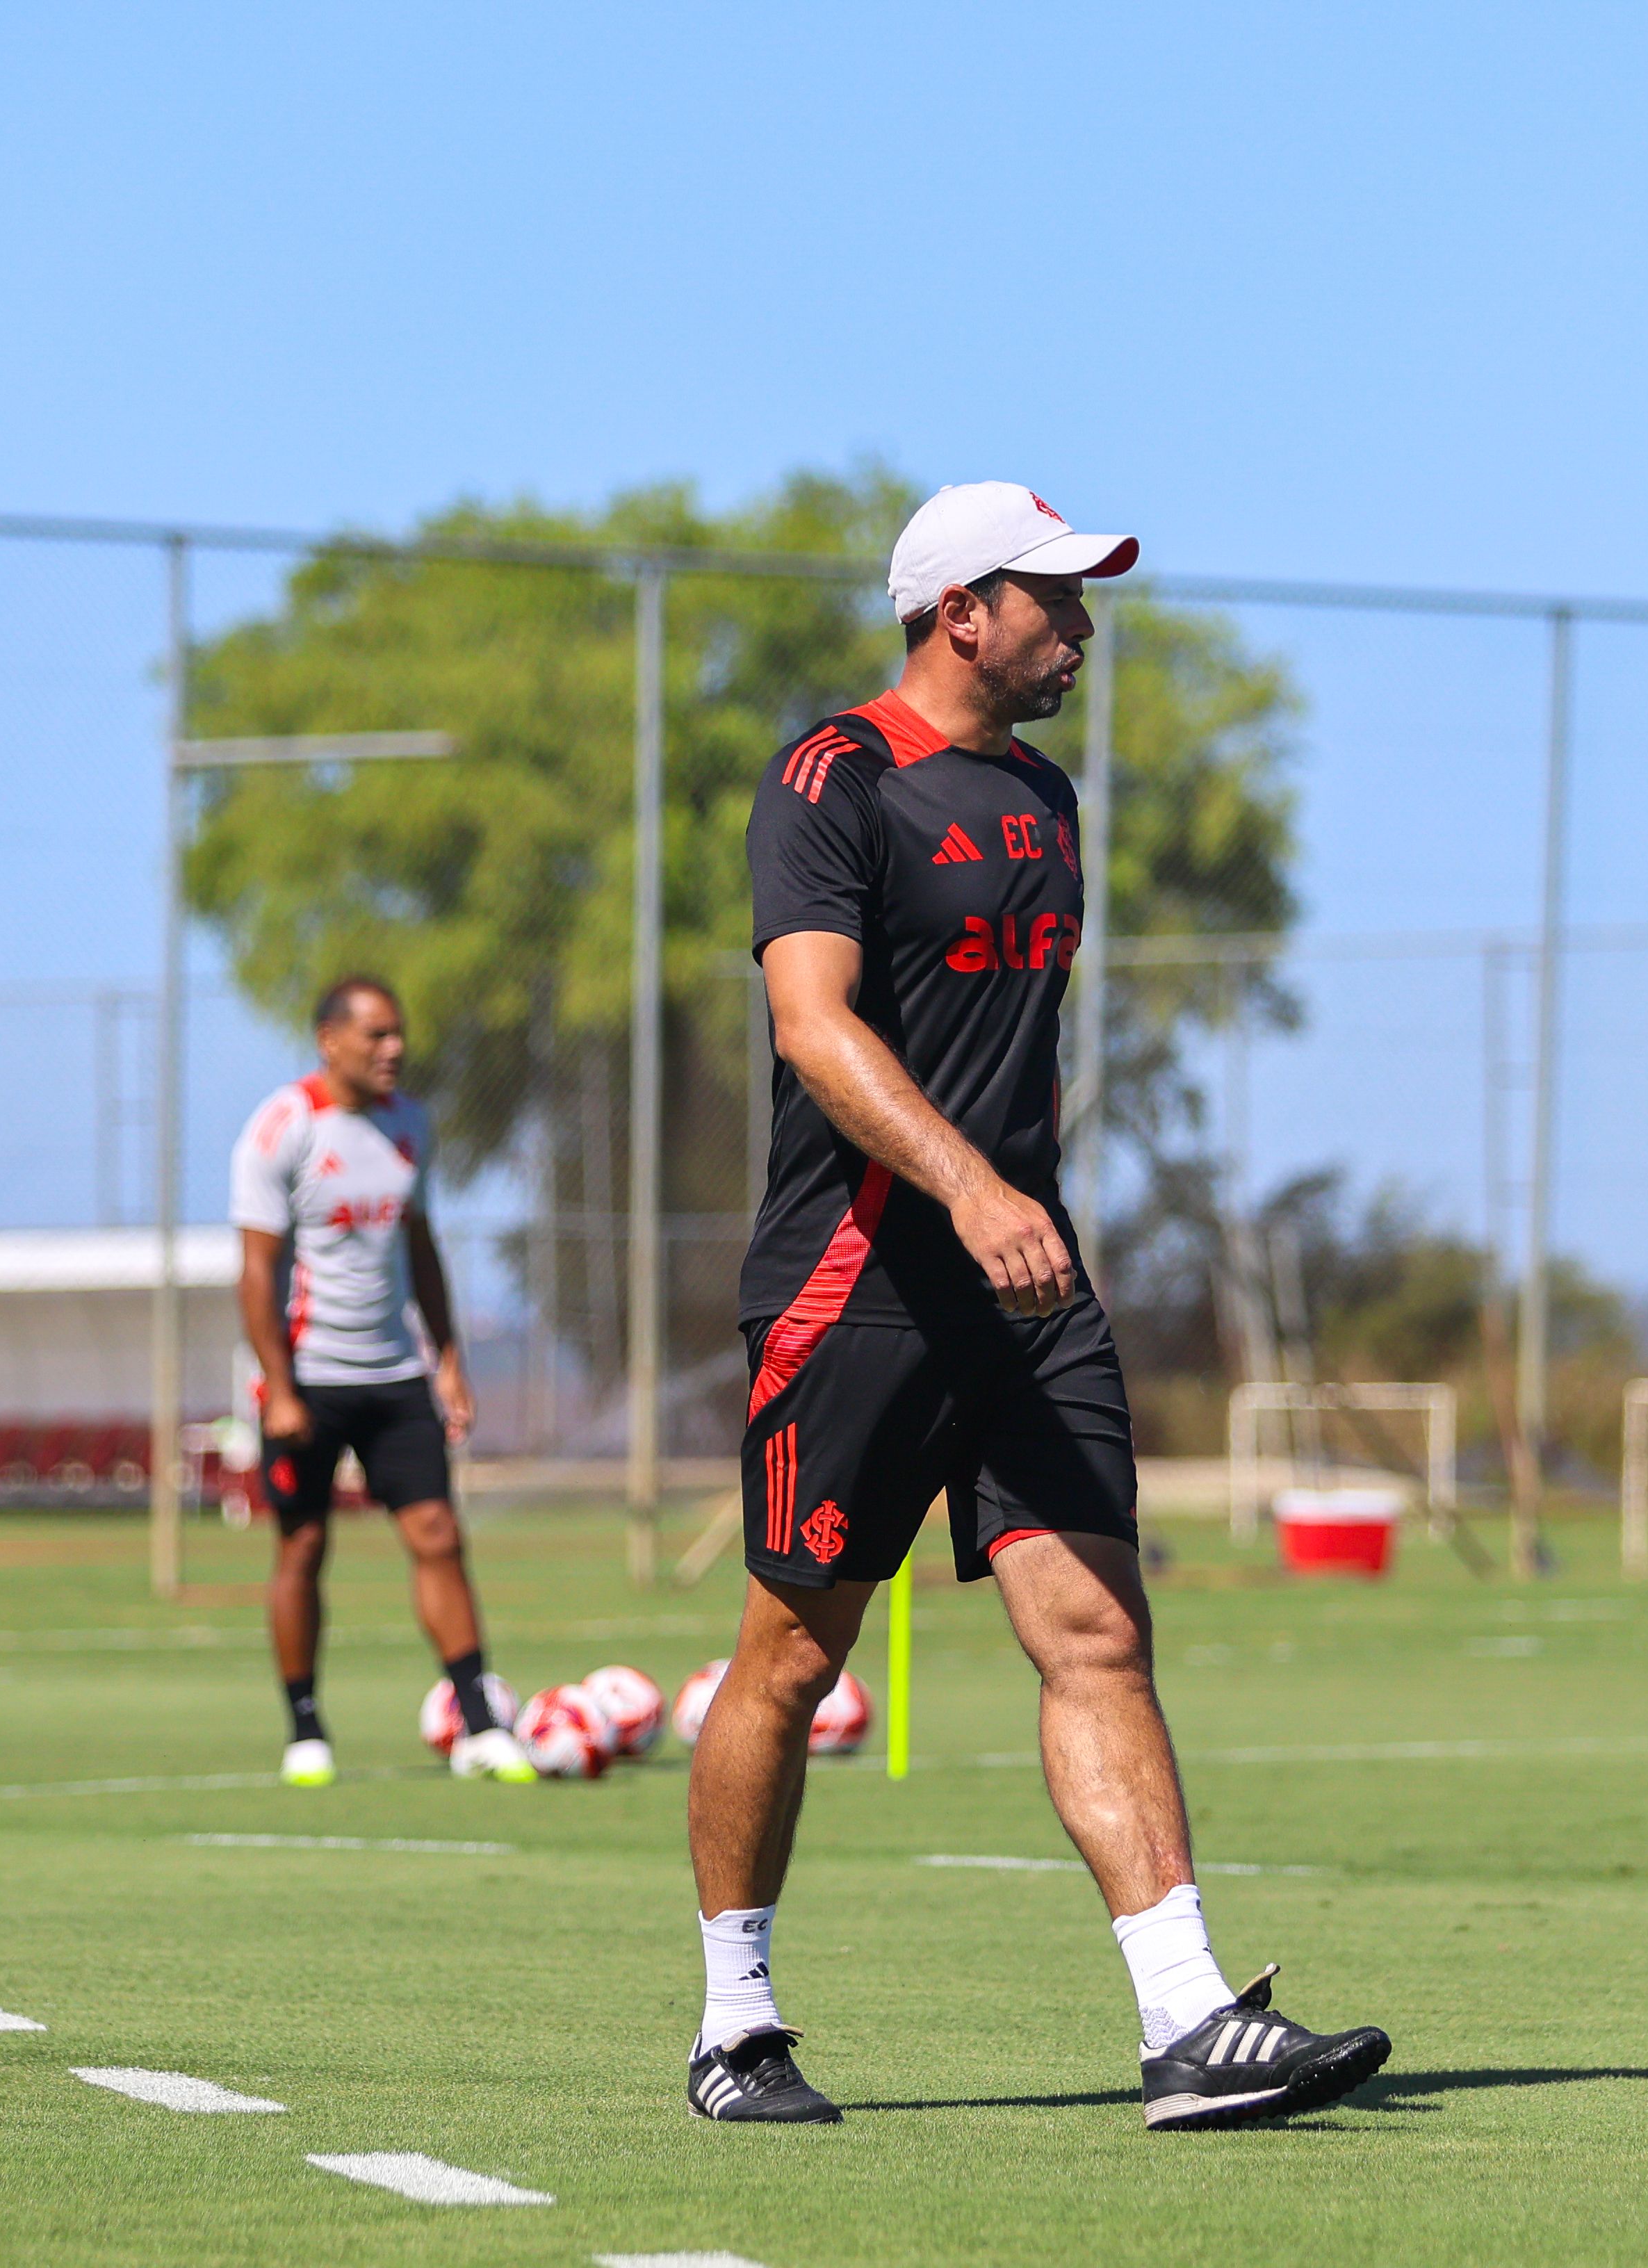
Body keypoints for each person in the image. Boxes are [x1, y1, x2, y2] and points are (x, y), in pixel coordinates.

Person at [685, 483, 1390, 2131]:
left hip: (1029, 1294)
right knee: (788, 1658)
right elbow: (814, 1027)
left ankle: (1187, 2019)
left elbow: (1021, 1052)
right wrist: (967, 1187)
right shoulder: (830, 780)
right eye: (1052, 599)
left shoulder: (1045, 794)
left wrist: (1026, 1209)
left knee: (1097, 1633)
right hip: (858, 1287)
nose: (1078, 628)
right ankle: (733, 2020)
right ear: (959, 612)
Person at [228, 977, 532, 1787]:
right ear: (330, 1040)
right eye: (376, 1035)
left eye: (398, 1033)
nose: (393, 1049)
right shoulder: (282, 1128)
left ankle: (481, 1723)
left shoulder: (410, 1125)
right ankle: (305, 1728)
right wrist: (278, 1387)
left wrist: (449, 1358)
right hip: (308, 1379)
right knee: (303, 1544)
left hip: (396, 1373)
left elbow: (421, 1245)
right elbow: (255, 1272)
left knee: (438, 1533)